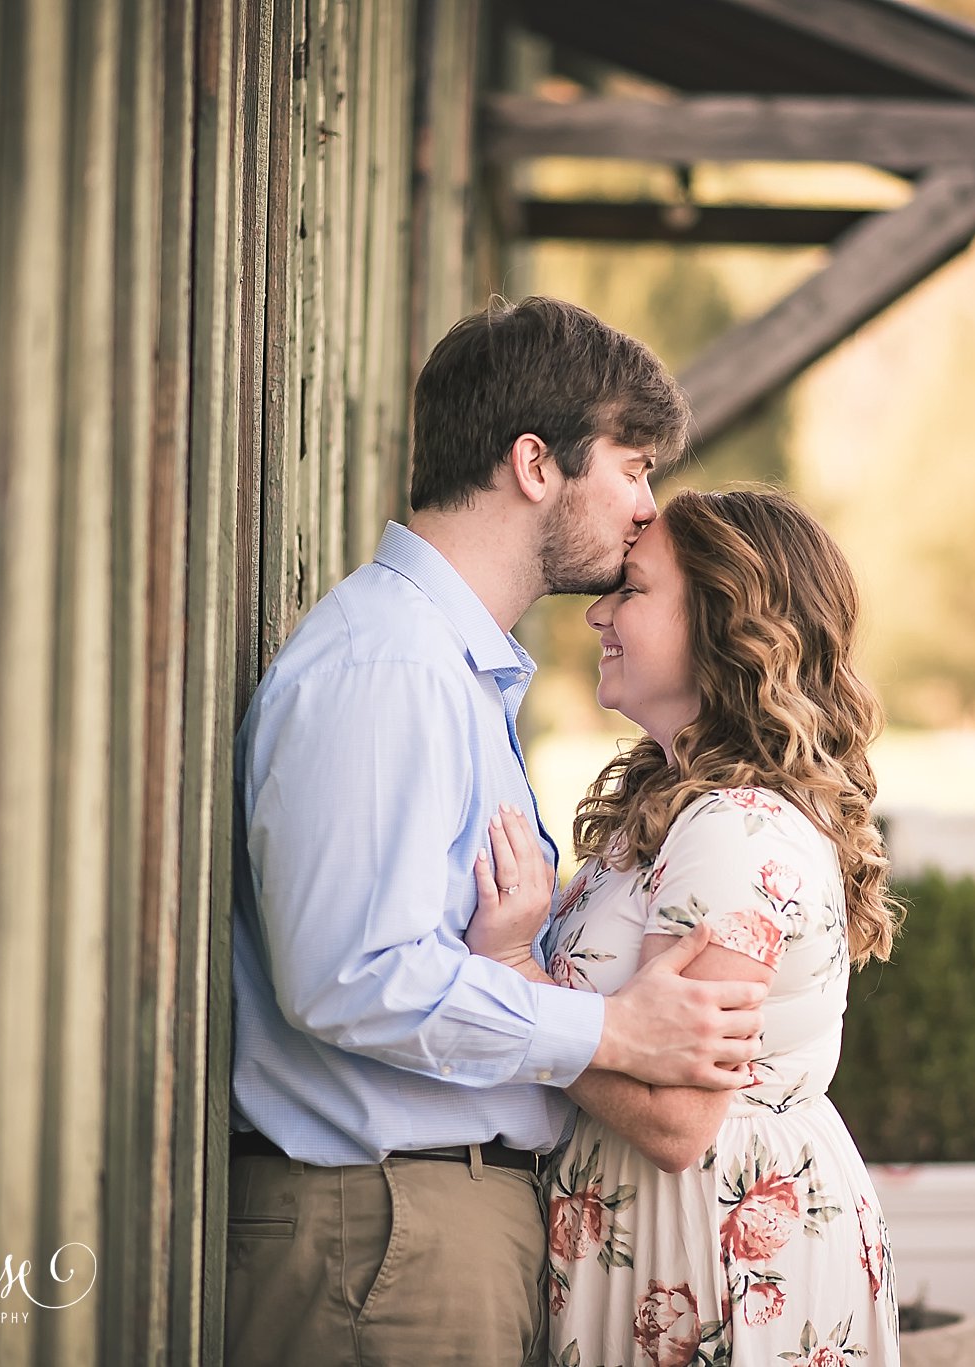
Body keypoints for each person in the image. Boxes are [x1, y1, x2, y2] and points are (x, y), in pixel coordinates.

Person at [226, 298, 769, 1367]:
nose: (642, 506)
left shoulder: (447, 669)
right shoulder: (390, 667)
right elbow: (351, 973)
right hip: (379, 1236)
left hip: (417, 1229)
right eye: (631, 465)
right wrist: (612, 1032)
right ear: (535, 463)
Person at [467, 489, 905, 1367]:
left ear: (720, 621)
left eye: (630, 589)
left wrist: (515, 968)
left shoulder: (735, 829)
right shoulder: (670, 809)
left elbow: (678, 1120)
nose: (597, 612)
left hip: (707, 1253)